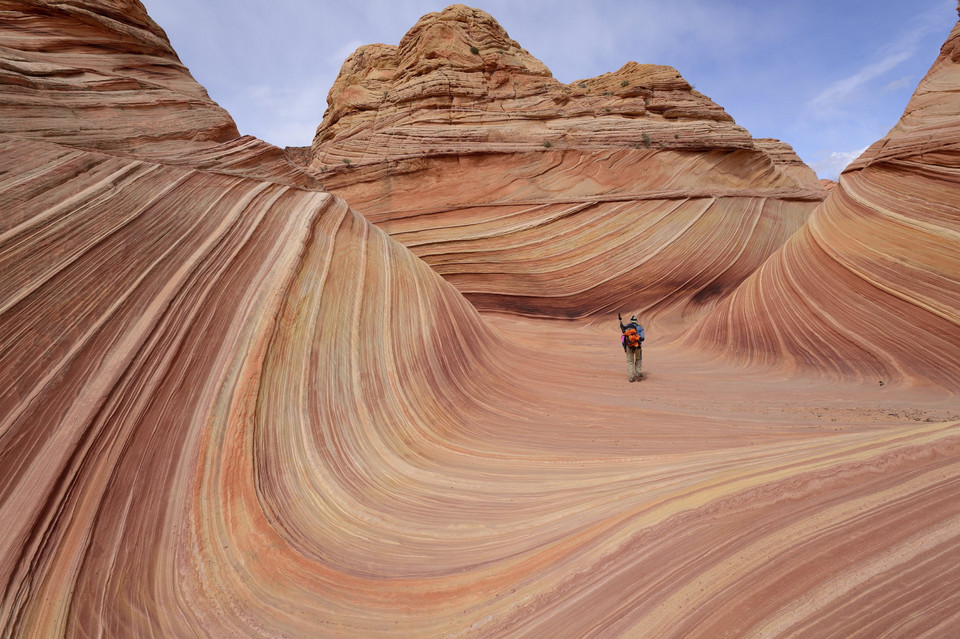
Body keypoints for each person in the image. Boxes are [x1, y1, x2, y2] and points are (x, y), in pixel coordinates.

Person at [619, 313, 645, 382]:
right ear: (636, 321)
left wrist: (620, 322)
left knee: (630, 362)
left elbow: (622, 330)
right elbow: (642, 338)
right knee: (638, 359)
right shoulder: (640, 328)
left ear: (631, 321)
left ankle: (631, 377)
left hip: (629, 346)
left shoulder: (627, 327)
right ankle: (638, 372)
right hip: (637, 347)